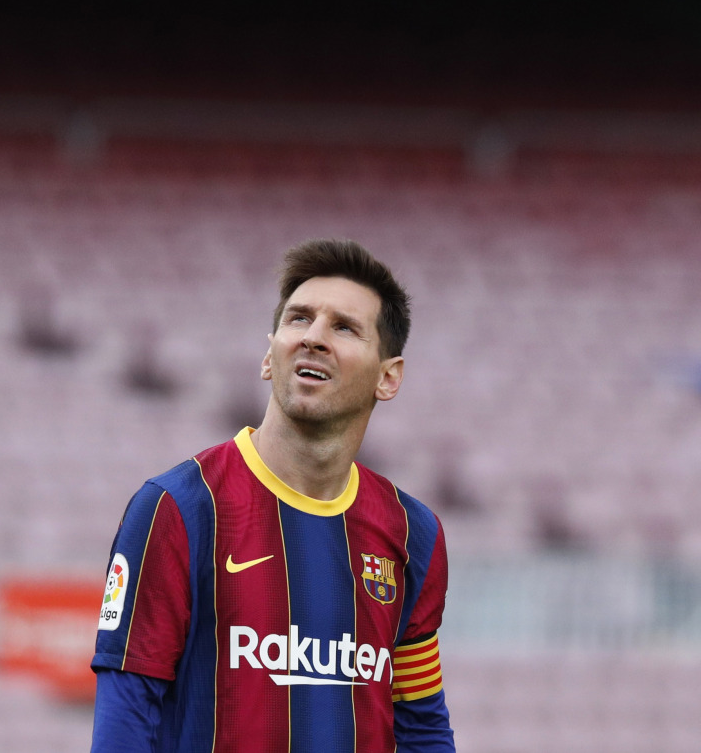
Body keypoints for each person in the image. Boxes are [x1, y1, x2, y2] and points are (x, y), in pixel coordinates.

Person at [91, 240, 454, 752]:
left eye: (343, 327)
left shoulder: (414, 533)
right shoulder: (178, 507)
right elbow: (125, 720)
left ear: (388, 377)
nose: (313, 338)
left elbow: (422, 728)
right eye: (299, 319)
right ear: (268, 356)